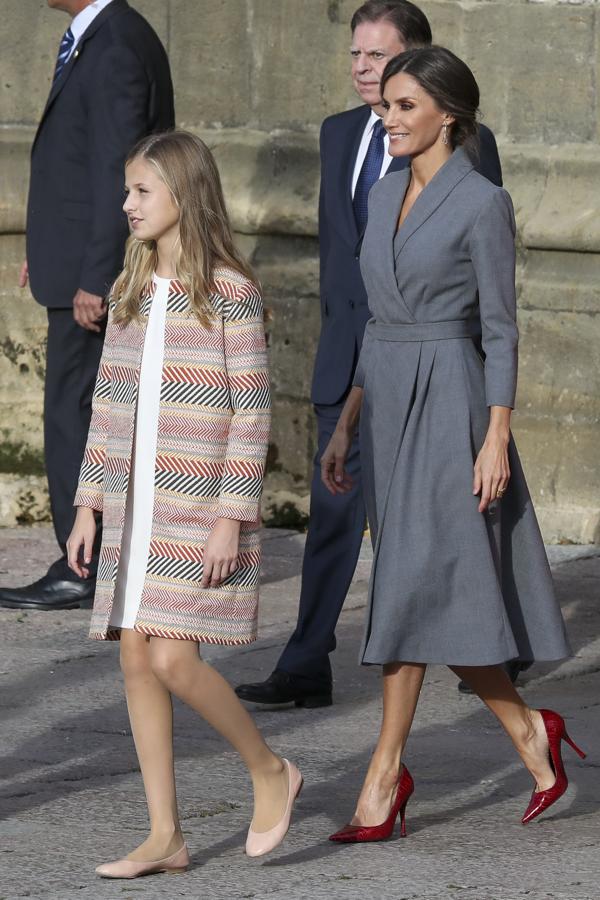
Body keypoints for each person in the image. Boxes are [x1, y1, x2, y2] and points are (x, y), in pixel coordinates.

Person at [319, 46, 585, 843]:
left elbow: (501, 331)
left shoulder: (482, 202)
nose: (388, 117)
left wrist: (496, 435)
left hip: (453, 401)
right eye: (386, 105)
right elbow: (377, 317)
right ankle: (533, 735)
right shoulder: (387, 188)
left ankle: (381, 779)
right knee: (424, 589)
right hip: (390, 397)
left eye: (404, 105)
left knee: (408, 583)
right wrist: (347, 420)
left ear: (449, 114)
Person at [235, 0, 505, 709]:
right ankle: (305, 663)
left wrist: (472, 384)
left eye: (378, 57)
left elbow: (480, 273)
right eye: (355, 55)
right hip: (350, 365)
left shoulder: (467, 148)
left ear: (417, 62)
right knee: (331, 513)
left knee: (442, 520)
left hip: (432, 368)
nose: (362, 69)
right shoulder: (337, 135)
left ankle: (497, 647)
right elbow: (341, 257)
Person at [66, 131, 302, 877]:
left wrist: (232, 514)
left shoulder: (229, 290)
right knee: (136, 654)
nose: (126, 204)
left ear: (183, 196)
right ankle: (165, 833)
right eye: (128, 190)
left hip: (195, 506)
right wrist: (87, 503)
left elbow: (251, 412)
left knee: (172, 655)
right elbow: (107, 403)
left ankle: (268, 769)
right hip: (135, 507)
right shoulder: (131, 289)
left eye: (142, 191)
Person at [0, 0, 174, 612]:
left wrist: (97, 274)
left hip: (94, 275)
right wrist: (49, 250)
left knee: (76, 416)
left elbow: (120, 169)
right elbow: (76, 163)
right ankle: (97, 558)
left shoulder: (117, 43)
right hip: (75, 261)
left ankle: (85, 564)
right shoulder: (97, 36)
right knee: (85, 413)